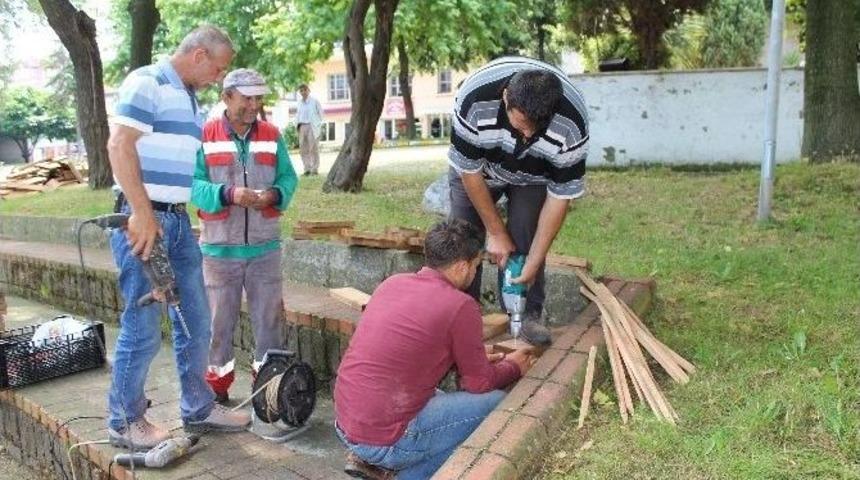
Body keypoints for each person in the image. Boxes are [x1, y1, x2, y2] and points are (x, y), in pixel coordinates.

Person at [106, 25, 250, 450]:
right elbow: (119, 146)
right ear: (200, 55)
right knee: (143, 324)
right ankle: (123, 421)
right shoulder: (147, 81)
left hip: (175, 222)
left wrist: (175, 215)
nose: (218, 79)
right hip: (144, 221)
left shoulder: (187, 97)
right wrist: (142, 213)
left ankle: (199, 409)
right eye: (218, 69)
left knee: (196, 320)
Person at [334, 219, 534, 480]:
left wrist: (470, 358)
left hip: (345, 420)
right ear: (463, 266)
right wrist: (513, 367)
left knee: (437, 399)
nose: (474, 272)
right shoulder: (460, 305)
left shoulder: (391, 284)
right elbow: (479, 383)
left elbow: (408, 350)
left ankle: (376, 463)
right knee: (495, 404)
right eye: (476, 265)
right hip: (385, 438)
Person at [447, 56, 590, 348]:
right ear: (505, 98)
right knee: (462, 237)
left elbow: (560, 196)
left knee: (525, 232)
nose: (527, 135)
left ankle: (527, 315)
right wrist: (496, 232)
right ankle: (460, 319)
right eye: (522, 124)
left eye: (536, 129)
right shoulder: (473, 101)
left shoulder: (572, 124)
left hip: (533, 176)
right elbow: (469, 172)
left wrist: (535, 261)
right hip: (479, 171)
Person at [191, 68, 298, 403]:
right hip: (220, 251)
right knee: (217, 326)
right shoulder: (204, 136)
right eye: (247, 98)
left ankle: (267, 389)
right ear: (227, 97)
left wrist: (274, 195)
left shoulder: (271, 134)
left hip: (264, 249)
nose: (254, 105)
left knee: (269, 324)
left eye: (258, 98)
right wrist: (228, 194)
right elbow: (192, 185)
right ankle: (216, 390)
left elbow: (288, 178)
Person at [295, 84, 323, 175]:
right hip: (302, 126)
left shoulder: (314, 101)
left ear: (308, 90)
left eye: (305, 90)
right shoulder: (299, 103)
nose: (303, 92)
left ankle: (314, 169)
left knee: (313, 148)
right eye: (301, 91)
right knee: (303, 149)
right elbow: (298, 115)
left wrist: (317, 124)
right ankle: (307, 169)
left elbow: (321, 114)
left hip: (311, 126)